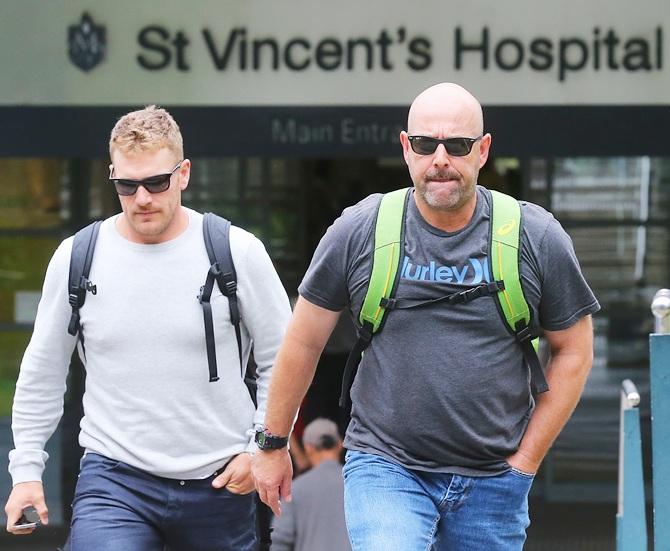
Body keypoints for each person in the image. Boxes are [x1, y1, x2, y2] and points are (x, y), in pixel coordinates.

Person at [251, 83, 600, 550]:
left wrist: (526, 461)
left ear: (483, 150)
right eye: (424, 144)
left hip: (495, 478)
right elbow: (303, 340)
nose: (440, 159)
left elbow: (574, 350)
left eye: (457, 145)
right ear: (405, 147)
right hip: (386, 467)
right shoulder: (361, 230)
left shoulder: (535, 237)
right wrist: (273, 444)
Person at [4, 105, 291, 550]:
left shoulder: (236, 251)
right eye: (127, 185)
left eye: (157, 182)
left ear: (184, 174)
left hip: (219, 480)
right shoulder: (78, 256)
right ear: (112, 176)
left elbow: (284, 358)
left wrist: (262, 448)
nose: (143, 198)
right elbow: (43, 369)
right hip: (115, 478)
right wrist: (26, 471)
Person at [271, 418, 350, 551]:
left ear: (308, 448)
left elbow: (280, 539)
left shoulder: (294, 489)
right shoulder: (356, 485)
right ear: (340, 444)